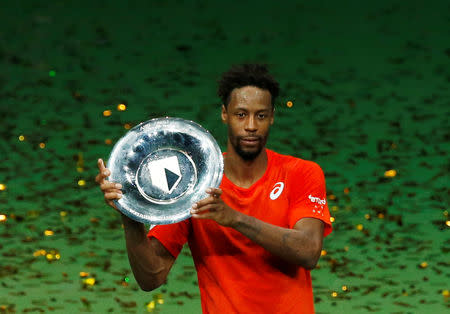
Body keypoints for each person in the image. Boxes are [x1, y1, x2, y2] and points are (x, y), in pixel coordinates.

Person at [96, 64, 332, 313]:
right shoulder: (196, 182)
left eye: (260, 116)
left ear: (272, 116)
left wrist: (234, 219)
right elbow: (151, 277)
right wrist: (130, 212)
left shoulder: (301, 173)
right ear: (224, 114)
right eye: (241, 114)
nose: (251, 125)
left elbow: (308, 252)